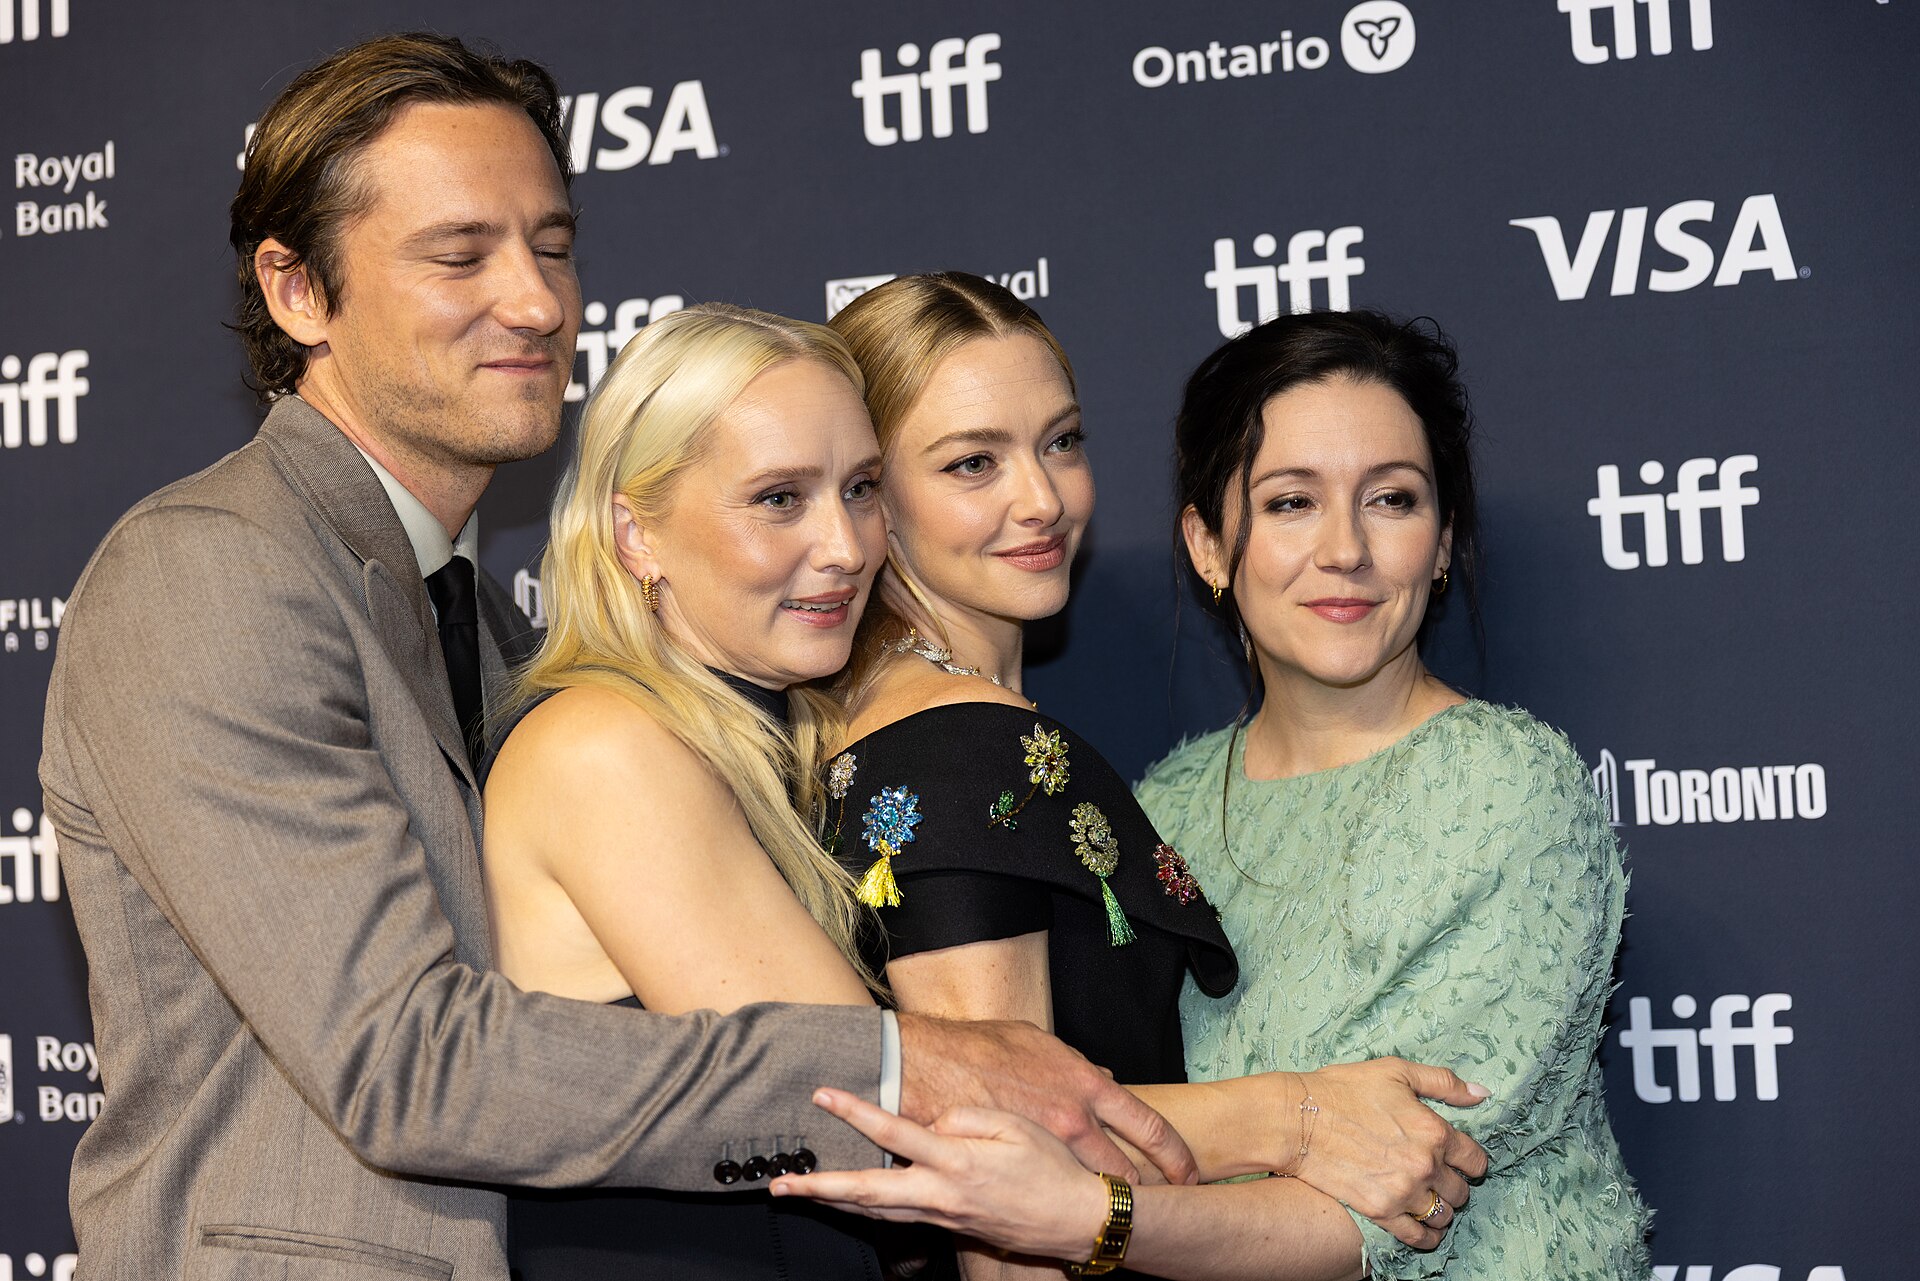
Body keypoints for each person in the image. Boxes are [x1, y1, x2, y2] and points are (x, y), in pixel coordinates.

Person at [36, 36, 1187, 1281]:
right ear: (297, 291)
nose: (537, 302)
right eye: (460, 254)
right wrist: (908, 1062)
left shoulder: (488, 625)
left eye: (553, 244)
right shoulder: (210, 573)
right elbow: (404, 1066)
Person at [773, 276, 1494, 1279]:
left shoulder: (896, 723)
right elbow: (1002, 1188)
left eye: (1061, 442)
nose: (1044, 499)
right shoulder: (960, 745)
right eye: (974, 463)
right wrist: (1295, 1116)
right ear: (869, 495)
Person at [1135, 309, 1652, 1277]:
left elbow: (1384, 1202)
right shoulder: (1158, 813)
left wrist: (1083, 1213)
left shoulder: (1509, 789)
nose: (1345, 551)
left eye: (1393, 500)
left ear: (1444, 540)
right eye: (1290, 502)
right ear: (1208, 545)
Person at [483, 302, 933, 1277]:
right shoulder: (604, 745)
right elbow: (863, 1111)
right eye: (779, 498)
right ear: (635, 534)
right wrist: (1280, 1119)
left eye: (861, 488)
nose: (848, 546)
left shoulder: (778, 742)